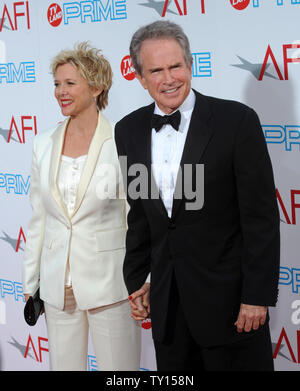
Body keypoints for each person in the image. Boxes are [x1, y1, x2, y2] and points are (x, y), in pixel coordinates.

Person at [115, 21, 280, 371]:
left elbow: (260, 217)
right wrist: (140, 279)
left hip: (233, 309)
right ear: (140, 78)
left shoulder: (236, 121)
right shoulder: (127, 130)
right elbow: (141, 215)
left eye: (175, 66)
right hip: (169, 312)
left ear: (190, 65)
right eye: (156, 70)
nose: (169, 78)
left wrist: (256, 297)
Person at [22, 42, 141, 371]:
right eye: (57, 84)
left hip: (111, 285)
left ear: (96, 86)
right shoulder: (43, 143)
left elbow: (138, 218)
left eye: (70, 83)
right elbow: (39, 218)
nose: (60, 91)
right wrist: (31, 282)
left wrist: (143, 279)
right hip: (58, 286)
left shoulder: (123, 139)